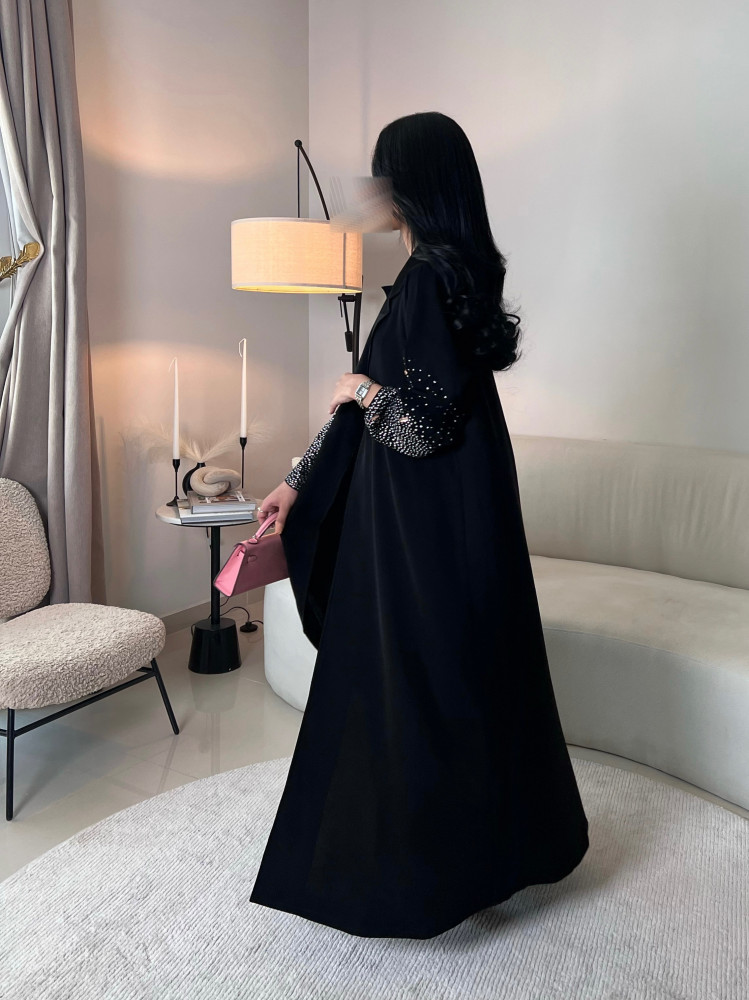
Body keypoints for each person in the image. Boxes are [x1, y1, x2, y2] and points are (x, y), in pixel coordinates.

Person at [249, 111, 589, 939]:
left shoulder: (430, 280)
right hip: (434, 524)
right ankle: (482, 859)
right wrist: (297, 482)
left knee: (419, 686)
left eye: (382, 175)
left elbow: (419, 427)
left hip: (422, 534)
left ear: (411, 186)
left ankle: (421, 880)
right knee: (459, 680)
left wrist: (357, 390)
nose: (371, 191)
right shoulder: (443, 275)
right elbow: (385, 412)